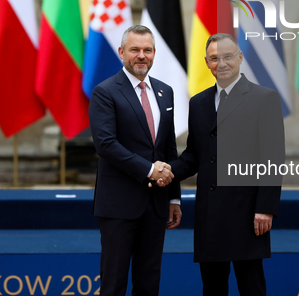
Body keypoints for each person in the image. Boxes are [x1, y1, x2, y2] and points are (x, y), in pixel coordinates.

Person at [166, 33, 285, 296]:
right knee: (212, 288)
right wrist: (166, 171)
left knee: (251, 286)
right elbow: (194, 156)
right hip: (210, 215)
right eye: (214, 58)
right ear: (207, 63)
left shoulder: (264, 98)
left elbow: (273, 158)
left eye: (228, 56)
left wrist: (265, 208)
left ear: (240, 57)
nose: (222, 63)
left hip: (248, 215)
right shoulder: (198, 103)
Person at [89, 25, 182, 296]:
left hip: (156, 207)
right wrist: (150, 170)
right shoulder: (105, 92)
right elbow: (106, 145)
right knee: (114, 285)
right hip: (119, 206)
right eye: (135, 50)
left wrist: (174, 198)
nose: (141, 56)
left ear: (154, 54)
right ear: (121, 53)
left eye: (147, 50)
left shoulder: (166, 92)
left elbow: (168, 147)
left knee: (149, 284)